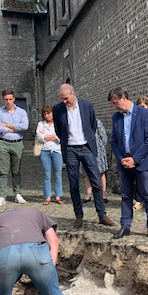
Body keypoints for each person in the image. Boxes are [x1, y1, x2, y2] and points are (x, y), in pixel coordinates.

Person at [53, 83, 115, 228]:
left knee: (96, 181)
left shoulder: (87, 105)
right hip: (70, 150)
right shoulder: (58, 109)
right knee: (74, 184)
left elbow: (92, 125)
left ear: (73, 94)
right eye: (62, 99)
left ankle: (102, 215)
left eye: (66, 98)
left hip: (86, 148)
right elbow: (58, 129)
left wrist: (87, 141)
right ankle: (79, 215)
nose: (64, 101)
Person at [109, 87, 148, 239]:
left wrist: (135, 159)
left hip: (143, 162)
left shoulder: (144, 114)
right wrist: (121, 159)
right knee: (126, 195)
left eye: (115, 103)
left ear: (123, 98)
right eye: (112, 104)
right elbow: (114, 141)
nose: (114, 107)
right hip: (125, 162)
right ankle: (125, 226)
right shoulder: (116, 118)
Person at [0, 89, 29, 207]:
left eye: (10, 99)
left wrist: (6, 125)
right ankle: (2, 195)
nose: (8, 102)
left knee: (16, 170)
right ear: (3, 99)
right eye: (6, 99)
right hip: (3, 143)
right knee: (2, 171)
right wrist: (14, 128)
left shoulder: (21, 112)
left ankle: (17, 193)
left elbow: (25, 126)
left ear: (14, 99)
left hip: (17, 143)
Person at [36, 104, 63, 205]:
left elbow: (60, 137)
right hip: (44, 151)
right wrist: (52, 136)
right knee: (46, 175)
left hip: (57, 151)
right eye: (45, 114)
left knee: (58, 175)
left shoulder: (58, 123)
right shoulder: (41, 124)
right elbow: (40, 137)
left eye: (49, 113)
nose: (47, 116)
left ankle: (58, 196)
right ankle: (47, 196)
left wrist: (47, 136)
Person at [82, 119, 108, 204]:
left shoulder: (97, 122)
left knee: (100, 172)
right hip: (85, 148)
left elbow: (104, 137)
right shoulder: (81, 121)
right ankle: (88, 194)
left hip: (98, 149)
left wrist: (101, 147)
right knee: (86, 172)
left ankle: (103, 193)